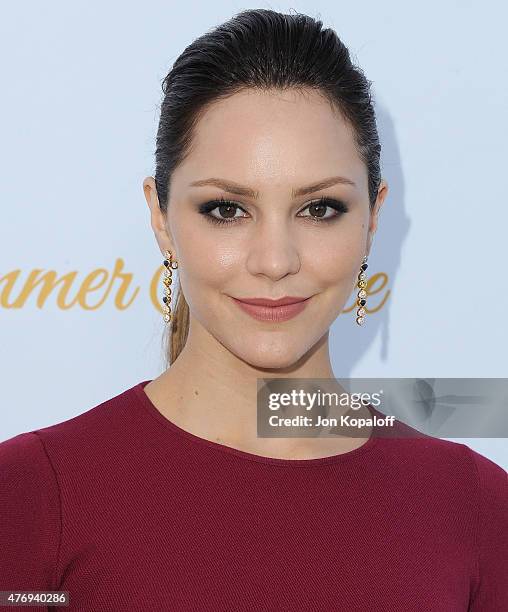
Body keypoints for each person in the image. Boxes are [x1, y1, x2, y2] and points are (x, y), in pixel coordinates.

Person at [1, 8, 506, 611]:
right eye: (227, 209)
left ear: (373, 217)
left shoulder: (473, 508)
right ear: (160, 218)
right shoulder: (34, 494)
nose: (274, 260)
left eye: (319, 209)